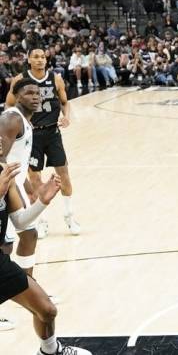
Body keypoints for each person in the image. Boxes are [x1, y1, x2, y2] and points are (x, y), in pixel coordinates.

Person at [0, 158, 90, 354]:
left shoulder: (4, 173)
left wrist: (42, 202)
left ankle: (50, 351)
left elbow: (20, 223)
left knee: (47, 311)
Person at [6, 49, 78, 240]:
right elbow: (8, 105)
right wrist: (19, 122)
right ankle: (42, 220)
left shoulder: (56, 78)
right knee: (35, 178)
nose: (40, 60)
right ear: (29, 60)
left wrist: (66, 117)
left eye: (43, 57)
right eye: (36, 57)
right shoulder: (20, 80)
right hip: (33, 135)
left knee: (64, 175)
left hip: (53, 132)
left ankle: (69, 216)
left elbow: (64, 102)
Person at [0, 78, 44, 281]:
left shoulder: (25, 121)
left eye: (37, 93)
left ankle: (27, 286)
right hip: (5, 188)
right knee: (5, 246)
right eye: (29, 93)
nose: (35, 96)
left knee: (29, 234)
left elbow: (17, 158)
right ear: (17, 96)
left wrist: (28, 186)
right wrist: (10, 189)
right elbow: (0, 158)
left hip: (15, 185)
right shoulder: (12, 119)